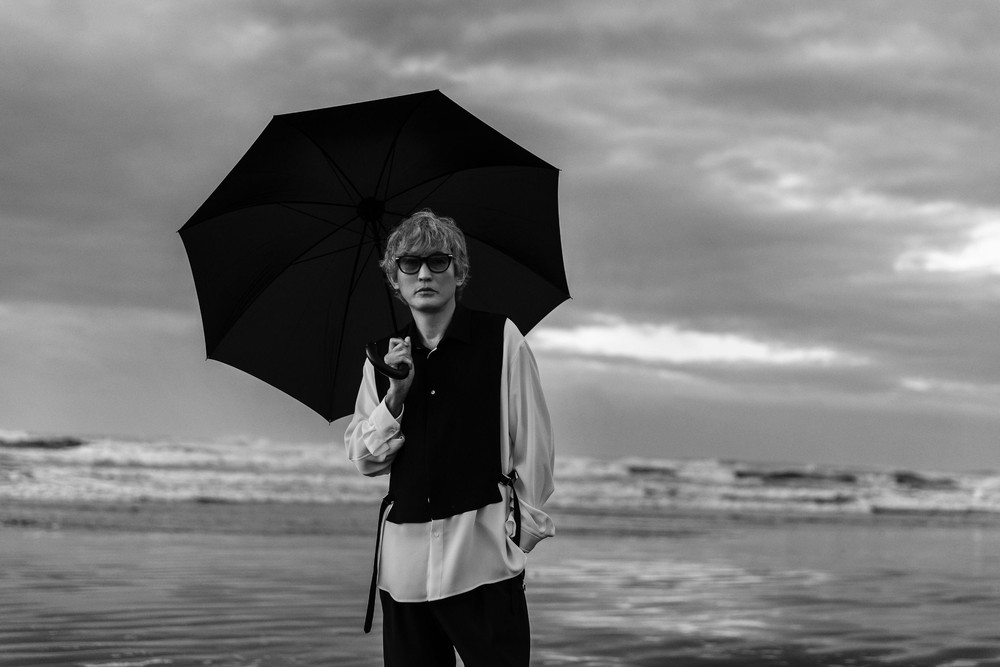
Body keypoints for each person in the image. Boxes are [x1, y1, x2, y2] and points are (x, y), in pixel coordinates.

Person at [344, 209, 555, 666]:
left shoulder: (502, 339)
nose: (424, 274)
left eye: (437, 261)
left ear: (458, 272)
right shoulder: (381, 359)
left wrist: (517, 541)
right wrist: (395, 395)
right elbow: (363, 457)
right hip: (404, 574)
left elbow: (535, 448)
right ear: (395, 278)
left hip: (482, 563)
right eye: (410, 263)